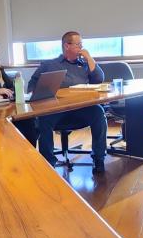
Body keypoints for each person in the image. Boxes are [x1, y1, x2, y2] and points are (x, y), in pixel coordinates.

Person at [27, 31, 107, 173]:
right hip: (57, 109)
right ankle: (48, 163)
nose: (82, 48)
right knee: (43, 119)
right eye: (78, 45)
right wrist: (35, 94)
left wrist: (89, 57)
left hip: (81, 108)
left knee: (99, 113)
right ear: (67, 46)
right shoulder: (50, 64)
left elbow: (99, 79)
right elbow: (32, 84)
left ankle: (99, 158)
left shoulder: (84, 63)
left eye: (82, 44)